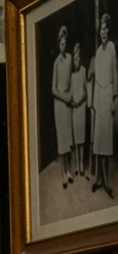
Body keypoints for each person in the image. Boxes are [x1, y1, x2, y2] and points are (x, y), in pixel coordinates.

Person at [93, 14, 117, 197]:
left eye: (105, 28)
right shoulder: (97, 52)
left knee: (107, 142)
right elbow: (94, 79)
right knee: (99, 140)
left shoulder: (111, 48)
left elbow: (115, 73)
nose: (103, 31)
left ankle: (107, 182)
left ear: (109, 30)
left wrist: (115, 97)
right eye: (101, 28)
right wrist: (94, 102)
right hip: (98, 97)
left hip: (108, 94)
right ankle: (99, 179)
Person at [54, 25, 75, 188]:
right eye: (61, 43)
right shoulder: (56, 62)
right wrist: (65, 97)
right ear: (58, 44)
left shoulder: (69, 58)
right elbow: (52, 89)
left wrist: (72, 96)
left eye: (65, 43)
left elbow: (72, 78)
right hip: (60, 103)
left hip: (68, 101)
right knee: (61, 139)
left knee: (68, 139)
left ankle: (69, 171)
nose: (63, 46)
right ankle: (62, 173)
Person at [72, 43, 89, 180]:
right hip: (74, 108)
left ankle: (82, 165)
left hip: (81, 107)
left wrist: (80, 101)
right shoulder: (71, 74)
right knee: (76, 138)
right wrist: (72, 103)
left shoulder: (83, 70)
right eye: (74, 59)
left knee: (81, 138)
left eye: (78, 59)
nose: (76, 61)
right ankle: (76, 165)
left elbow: (86, 90)